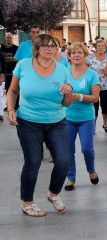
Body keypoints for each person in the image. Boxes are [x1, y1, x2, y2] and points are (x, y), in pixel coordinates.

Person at [7, 33, 73, 216]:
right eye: (46, 46)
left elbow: (67, 102)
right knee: (33, 161)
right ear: (37, 48)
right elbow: (12, 90)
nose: (51, 49)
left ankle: (53, 194)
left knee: (63, 160)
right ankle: (27, 202)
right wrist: (11, 109)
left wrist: (69, 91)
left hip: (56, 121)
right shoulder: (24, 65)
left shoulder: (62, 69)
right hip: (28, 121)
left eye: (54, 46)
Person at [64, 42, 100, 191]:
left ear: (85, 55)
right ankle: (71, 178)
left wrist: (78, 96)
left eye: (79, 52)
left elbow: (95, 98)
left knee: (86, 149)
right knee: (68, 149)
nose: (76, 55)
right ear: (69, 56)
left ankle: (91, 170)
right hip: (67, 117)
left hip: (86, 117)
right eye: (73, 53)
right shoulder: (64, 72)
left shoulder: (92, 74)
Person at [86, 39, 107, 133]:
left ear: (105, 47)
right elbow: (85, 69)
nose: (100, 48)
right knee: (93, 106)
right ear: (95, 47)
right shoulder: (89, 58)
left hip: (106, 86)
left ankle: (105, 124)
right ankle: (93, 126)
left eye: (102, 46)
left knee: (106, 106)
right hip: (92, 86)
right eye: (98, 46)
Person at [1, 32, 18, 111]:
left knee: (15, 88)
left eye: (10, 37)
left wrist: (5, 59)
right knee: (7, 89)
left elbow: (16, 58)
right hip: (5, 72)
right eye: (7, 37)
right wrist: (9, 59)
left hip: (14, 71)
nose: (9, 39)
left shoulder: (16, 48)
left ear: (12, 39)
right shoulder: (2, 47)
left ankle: (16, 105)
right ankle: (9, 105)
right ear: (5, 38)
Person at [0, 52, 6, 121]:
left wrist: (1, 78)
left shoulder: (1, 54)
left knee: (0, 96)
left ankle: (0, 114)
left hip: (0, 77)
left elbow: (4, 67)